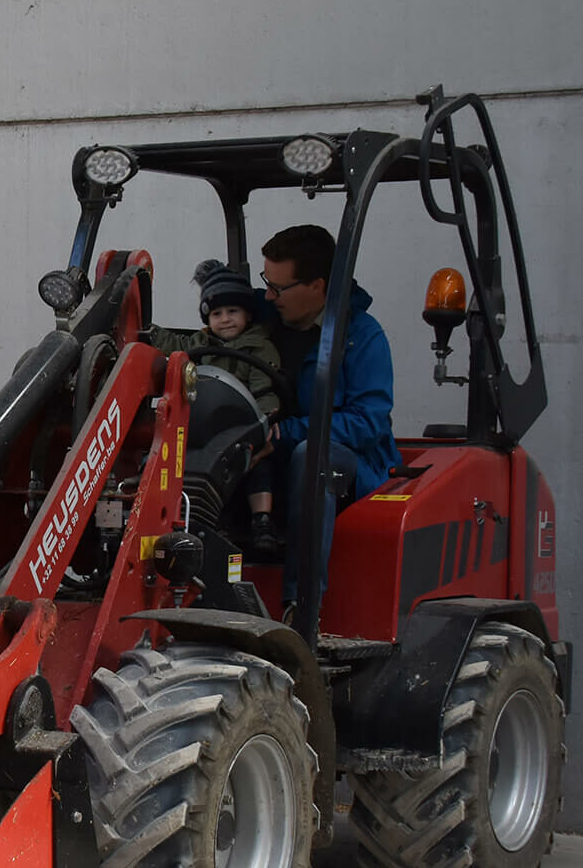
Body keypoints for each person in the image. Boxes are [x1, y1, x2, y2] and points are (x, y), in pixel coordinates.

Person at [259, 224, 399, 615]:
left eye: (278, 288)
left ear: (318, 286)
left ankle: (300, 607)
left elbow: (367, 422)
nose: (268, 295)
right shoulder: (263, 319)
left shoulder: (362, 339)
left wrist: (285, 432)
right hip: (272, 451)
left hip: (351, 468)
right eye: (265, 282)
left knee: (311, 456)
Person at [147, 261, 286, 555]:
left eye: (232, 312)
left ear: (247, 314)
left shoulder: (259, 347)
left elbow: (265, 388)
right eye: (217, 313)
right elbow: (170, 343)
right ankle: (201, 523)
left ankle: (262, 520)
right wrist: (144, 327)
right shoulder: (199, 343)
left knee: (259, 466)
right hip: (202, 430)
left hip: (242, 428)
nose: (225, 319)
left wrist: (265, 418)